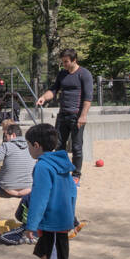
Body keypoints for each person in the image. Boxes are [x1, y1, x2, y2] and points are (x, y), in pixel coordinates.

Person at [22, 123, 82, 259]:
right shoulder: (61, 161)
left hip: (53, 221)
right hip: (61, 217)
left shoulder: (42, 167)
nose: (29, 149)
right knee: (44, 253)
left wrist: (30, 224)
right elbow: (73, 190)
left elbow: (40, 197)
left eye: (29, 145)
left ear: (37, 145)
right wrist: (71, 215)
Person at [35, 48, 93, 184]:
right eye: (63, 62)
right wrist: (44, 97)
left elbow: (88, 98)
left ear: (74, 60)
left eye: (66, 61)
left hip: (76, 116)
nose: (64, 64)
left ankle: (76, 175)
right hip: (62, 115)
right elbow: (54, 90)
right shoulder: (62, 74)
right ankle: (61, 171)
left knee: (77, 147)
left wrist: (83, 116)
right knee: (58, 145)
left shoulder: (84, 74)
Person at [0, 121, 34, 200]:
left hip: (7, 190)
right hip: (28, 190)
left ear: (13, 135)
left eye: (6, 136)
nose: (5, 139)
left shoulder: (7, 146)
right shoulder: (30, 147)